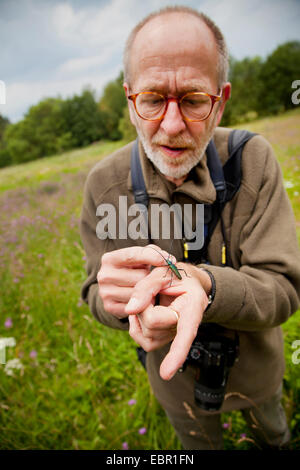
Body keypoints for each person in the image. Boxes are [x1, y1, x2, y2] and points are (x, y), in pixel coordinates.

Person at [80, 6, 300, 450]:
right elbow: (94, 292)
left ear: (222, 99)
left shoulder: (253, 161)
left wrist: (205, 284)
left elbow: (285, 287)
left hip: (256, 372)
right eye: (154, 98)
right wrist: (125, 307)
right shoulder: (105, 185)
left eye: (195, 100)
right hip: (174, 384)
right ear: (130, 99)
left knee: (273, 437)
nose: (173, 125)